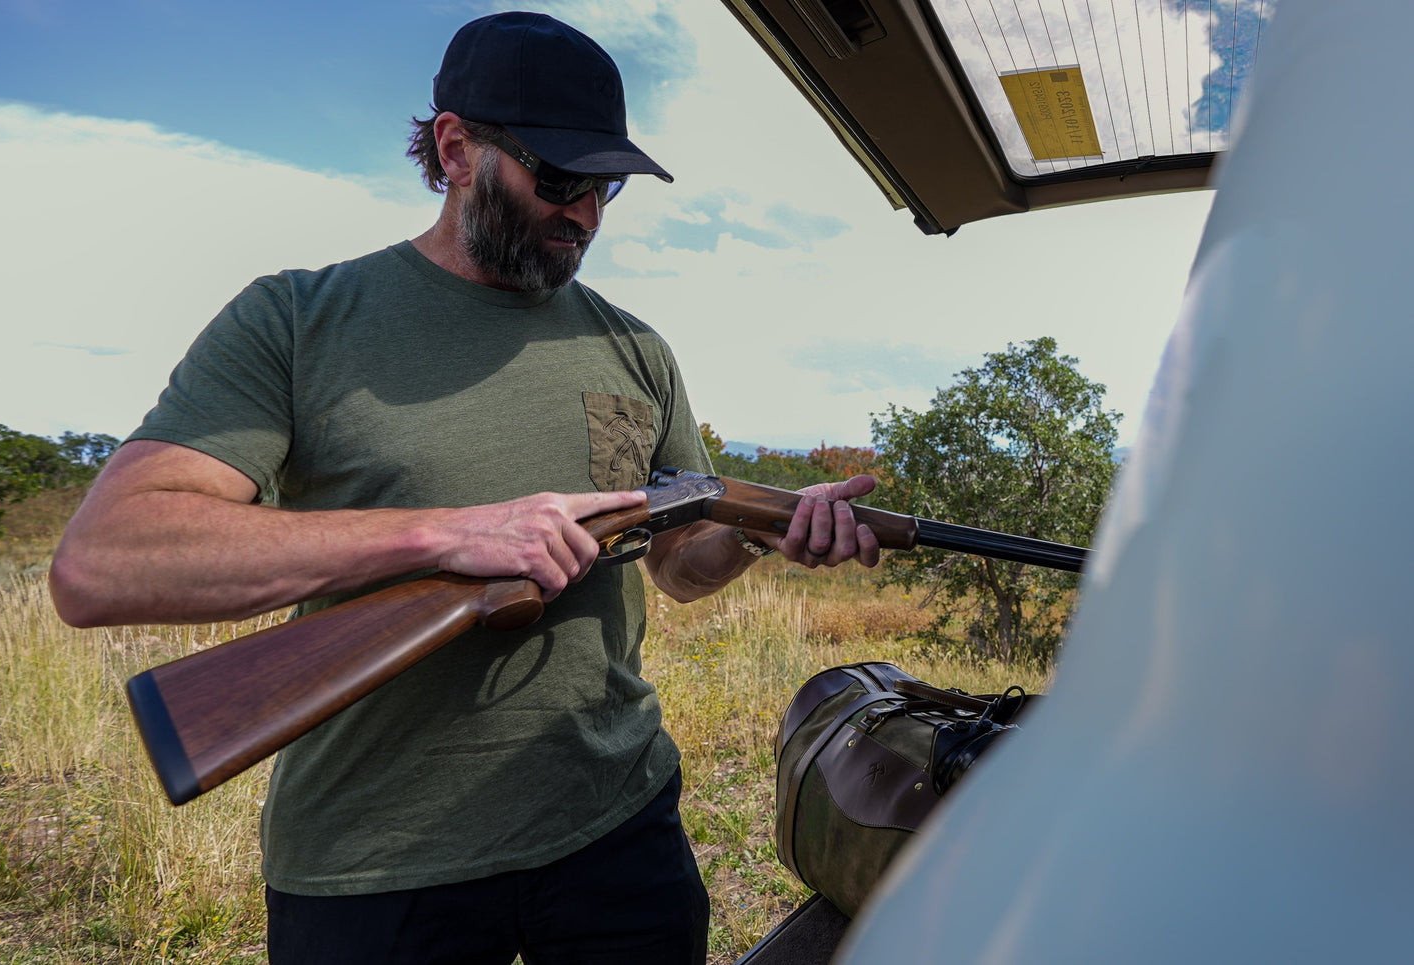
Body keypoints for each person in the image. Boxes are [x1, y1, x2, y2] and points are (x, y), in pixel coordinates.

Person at [50, 12, 879, 965]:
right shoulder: (296, 319)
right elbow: (105, 560)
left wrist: (759, 532)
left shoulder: (636, 348)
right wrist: (446, 535)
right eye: (558, 178)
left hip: (616, 826)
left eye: (605, 187)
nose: (585, 214)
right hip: (374, 864)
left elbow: (678, 565)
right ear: (454, 150)